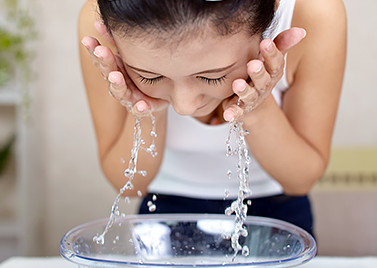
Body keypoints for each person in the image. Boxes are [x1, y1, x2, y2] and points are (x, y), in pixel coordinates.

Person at [78, 0, 347, 237]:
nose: (184, 107)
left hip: (276, 211)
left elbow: (301, 180)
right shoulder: (103, 22)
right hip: (162, 210)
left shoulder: (314, 13)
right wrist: (147, 110)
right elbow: (128, 186)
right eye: (150, 76)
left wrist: (257, 107)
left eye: (212, 76)